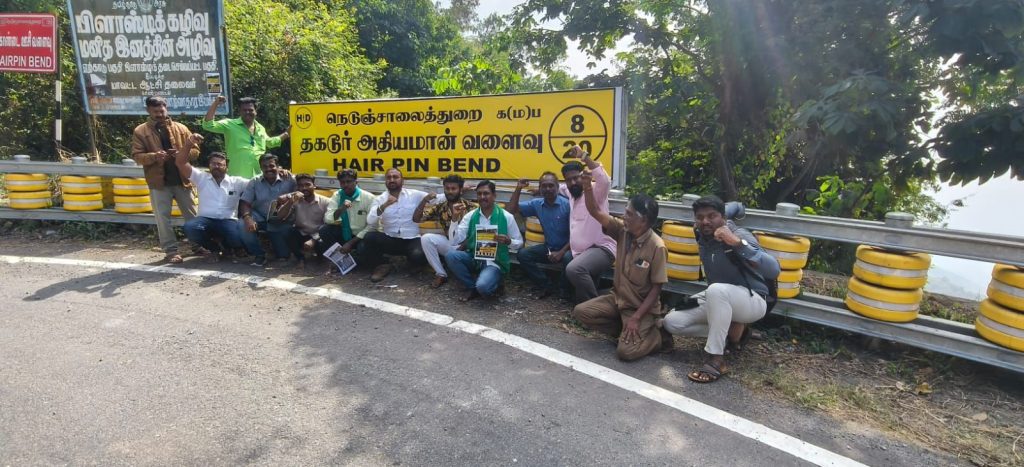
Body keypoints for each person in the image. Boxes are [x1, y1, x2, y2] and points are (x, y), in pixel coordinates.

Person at [660, 195, 780, 383]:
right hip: (719, 296)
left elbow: (773, 270)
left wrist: (736, 243)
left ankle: (717, 359)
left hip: (753, 299)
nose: (705, 221)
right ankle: (735, 333)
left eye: (711, 216)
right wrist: (738, 206)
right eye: (700, 217)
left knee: (716, 290)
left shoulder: (739, 234)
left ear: (723, 218)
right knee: (672, 322)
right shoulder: (701, 232)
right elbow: (728, 208)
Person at [571, 170, 670, 361]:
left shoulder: (657, 247)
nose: (624, 216)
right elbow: (594, 211)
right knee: (581, 312)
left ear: (643, 220)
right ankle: (625, 331)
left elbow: (656, 288)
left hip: (639, 309)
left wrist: (636, 318)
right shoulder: (622, 231)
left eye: (629, 214)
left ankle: (657, 337)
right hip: (618, 300)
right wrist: (587, 186)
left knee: (625, 353)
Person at [130, 95, 200, 264]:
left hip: (183, 179)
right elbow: (137, 156)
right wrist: (155, 156)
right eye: (156, 112)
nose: (160, 114)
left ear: (166, 108)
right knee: (162, 219)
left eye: (162, 111)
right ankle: (171, 251)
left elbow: (196, 152)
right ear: (148, 111)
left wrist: (181, 154)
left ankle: (198, 245)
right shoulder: (140, 131)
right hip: (159, 182)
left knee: (193, 216)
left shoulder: (181, 128)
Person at [446, 180, 523, 301]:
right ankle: (472, 287)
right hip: (474, 257)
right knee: (451, 255)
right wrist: (454, 219)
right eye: (479, 194)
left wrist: (509, 242)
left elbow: (519, 243)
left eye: (486, 193)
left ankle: (494, 282)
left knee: (483, 287)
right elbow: (454, 241)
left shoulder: (506, 217)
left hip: (495, 261)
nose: (482, 197)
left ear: (494, 195)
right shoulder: (470, 216)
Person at [560, 146, 617, 303]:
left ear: (584, 176)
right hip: (580, 252)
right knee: (579, 292)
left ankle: (594, 308)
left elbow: (604, 180)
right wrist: (539, 191)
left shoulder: (596, 191)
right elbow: (559, 188)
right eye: (568, 180)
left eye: (576, 178)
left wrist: (584, 156)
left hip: (602, 248)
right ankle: (594, 303)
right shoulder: (572, 192)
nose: (573, 182)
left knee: (574, 269)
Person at [173, 151, 249, 262]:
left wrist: (275, 172)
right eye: (213, 164)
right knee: (190, 227)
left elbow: (256, 183)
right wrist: (188, 144)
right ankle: (214, 249)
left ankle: (229, 248)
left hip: (228, 221)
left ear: (227, 167)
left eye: (220, 164)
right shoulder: (201, 178)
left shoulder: (237, 182)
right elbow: (180, 162)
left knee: (237, 235)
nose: (216, 166)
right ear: (209, 165)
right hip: (205, 220)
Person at [506, 172, 572, 299]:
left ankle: (564, 291)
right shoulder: (537, 204)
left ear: (557, 187)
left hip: (569, 248)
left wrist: (562, 252)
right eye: (544, 186)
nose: (548, 189)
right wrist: (518, 188)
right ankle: (546, 285)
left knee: (568, 258)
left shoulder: (568, 205)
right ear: (540, 188)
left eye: (551, 185)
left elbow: (577, 234)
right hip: (549, 248)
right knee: (523, 254)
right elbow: (510, 211)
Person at [363, 168, 429, 282]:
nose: (392, 180)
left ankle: (413, 263)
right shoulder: (380, 199)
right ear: (385, 181)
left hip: (412, 239)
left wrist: (457, 190)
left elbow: (437, 198)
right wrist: (384, 205)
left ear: (402, 181)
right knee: (369, 237)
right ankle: (383, 265)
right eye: (389, 177)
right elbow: (370, 221)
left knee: (419, 254)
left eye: (395, 177)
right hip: (391, 239)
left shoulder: (415, 195)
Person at [413, 174, 478, 288]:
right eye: (447, 188)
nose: (450, 191)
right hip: (451, 244)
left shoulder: (471, 207)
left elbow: (478, 232)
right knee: (426, 238)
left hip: (469, 247)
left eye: (453, 188)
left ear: (460, 190)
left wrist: (464, 245)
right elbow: (416, 219)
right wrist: (424, 200)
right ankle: (441, 273)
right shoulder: (440, 207)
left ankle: (472, 274)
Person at [203, 95, 289, 178]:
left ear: (256, 111)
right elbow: (208, 125)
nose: (247, 112)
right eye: (244, 110)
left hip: (258, 178)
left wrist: (286, 134)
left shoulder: (260, 128)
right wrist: (216, 104)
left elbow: (270, 143)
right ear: (240, 112)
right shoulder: (230, 124)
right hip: (237, 177)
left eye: (250, 110)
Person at [238, 153, 297, 267]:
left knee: (283, 255)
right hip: (260, 217)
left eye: (271, 166)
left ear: (278, 166)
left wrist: (289, 197)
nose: (268, 169)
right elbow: (245, 202)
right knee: (242, 224)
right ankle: (259, 255)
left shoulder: (289, 179)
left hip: (280, 220)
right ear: (260, 168)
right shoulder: (255, 181)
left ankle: (278, 249)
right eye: (264, 166)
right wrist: (247, 218)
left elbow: (302, 190)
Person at [318, 169, 376, 269]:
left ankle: (350, 260)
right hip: (344, 233)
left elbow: (373, 225)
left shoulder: (369, 198)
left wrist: (350, 243)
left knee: (364, 249)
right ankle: (341, 261)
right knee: (324, 230)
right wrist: (342, 209)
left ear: (356, 182)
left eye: (349, 181)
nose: (345, 185)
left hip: (360, 236)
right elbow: (328, 218)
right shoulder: (338, 195)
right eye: (342, 182)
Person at [274, 173, 331, 267]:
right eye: (300, 185)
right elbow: (280, 216)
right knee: (285, 230)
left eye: (307, 185)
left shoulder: (326, 202)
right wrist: (290, 201)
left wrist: (314, 240)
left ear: (314, 186)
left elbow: (328, 226)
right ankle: (300, 258)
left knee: (325, 238)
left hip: (319, 235)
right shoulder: (296, 200)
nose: (304, 188)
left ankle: (321, 258)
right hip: (302, 234)